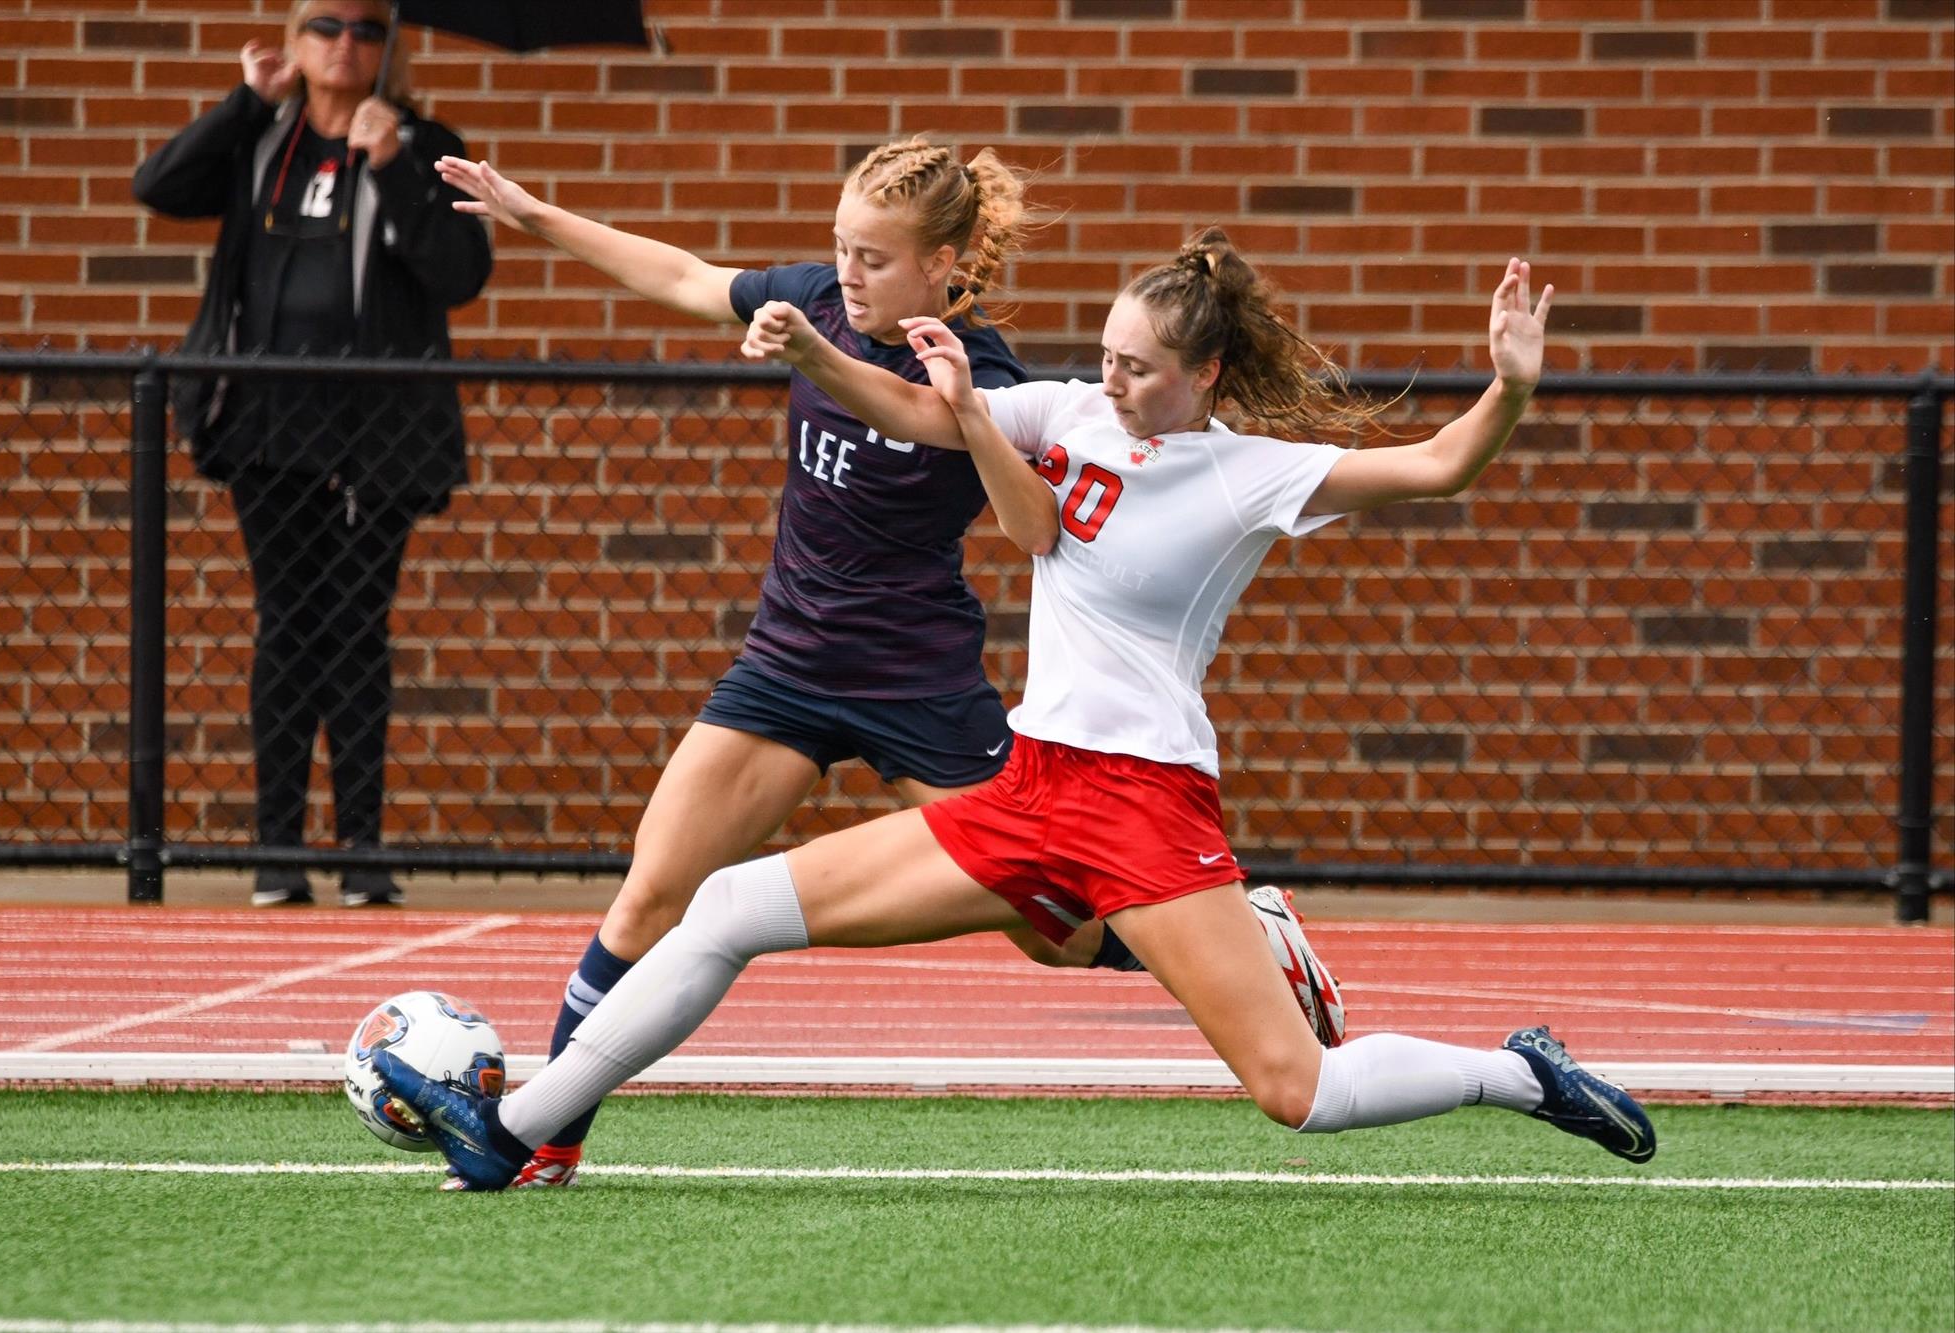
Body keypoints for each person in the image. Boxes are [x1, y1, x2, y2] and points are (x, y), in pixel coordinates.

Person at [379, 234, 1659, 1192]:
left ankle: (1518, 1073)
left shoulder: (1252, 474)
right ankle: (517, 1128)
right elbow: (922, 417)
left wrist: (1509, 390)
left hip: (1145, 806)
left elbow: (1436, 468)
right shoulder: (1065, 412)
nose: (1108, 379)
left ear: (1203, 372)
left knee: (1297, 1092)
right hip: (1027, 789)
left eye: (1139, 366)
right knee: (724, 906)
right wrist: (826, 351)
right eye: (1100, 353)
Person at [426, 146, 1336, 1186]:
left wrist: (817, 356)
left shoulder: (980, 375)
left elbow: (999, 495)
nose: (845, 272)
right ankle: (550, 1135)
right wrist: (528, 209)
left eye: (871, 257)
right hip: (785, 666)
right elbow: (679, 275)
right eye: (838, 249)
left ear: (942, 266)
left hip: (919, 684)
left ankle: (1252, 941)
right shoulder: (815, 299)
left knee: (1060, 933)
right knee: (650, 894)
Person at [132, 1, 491, 907]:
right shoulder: (263, 139)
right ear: (292, 42)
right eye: (324, 25)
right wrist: (244, 105)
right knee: (288, 621)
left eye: (367, 29)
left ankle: (362, 849)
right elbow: (159, 185)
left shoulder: (422, 140)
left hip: (383, 430)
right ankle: (278, 848)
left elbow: (462, 273)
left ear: (388, 47)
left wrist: (395, 165)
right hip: (267, 424)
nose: (345, 43)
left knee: (358, 624)